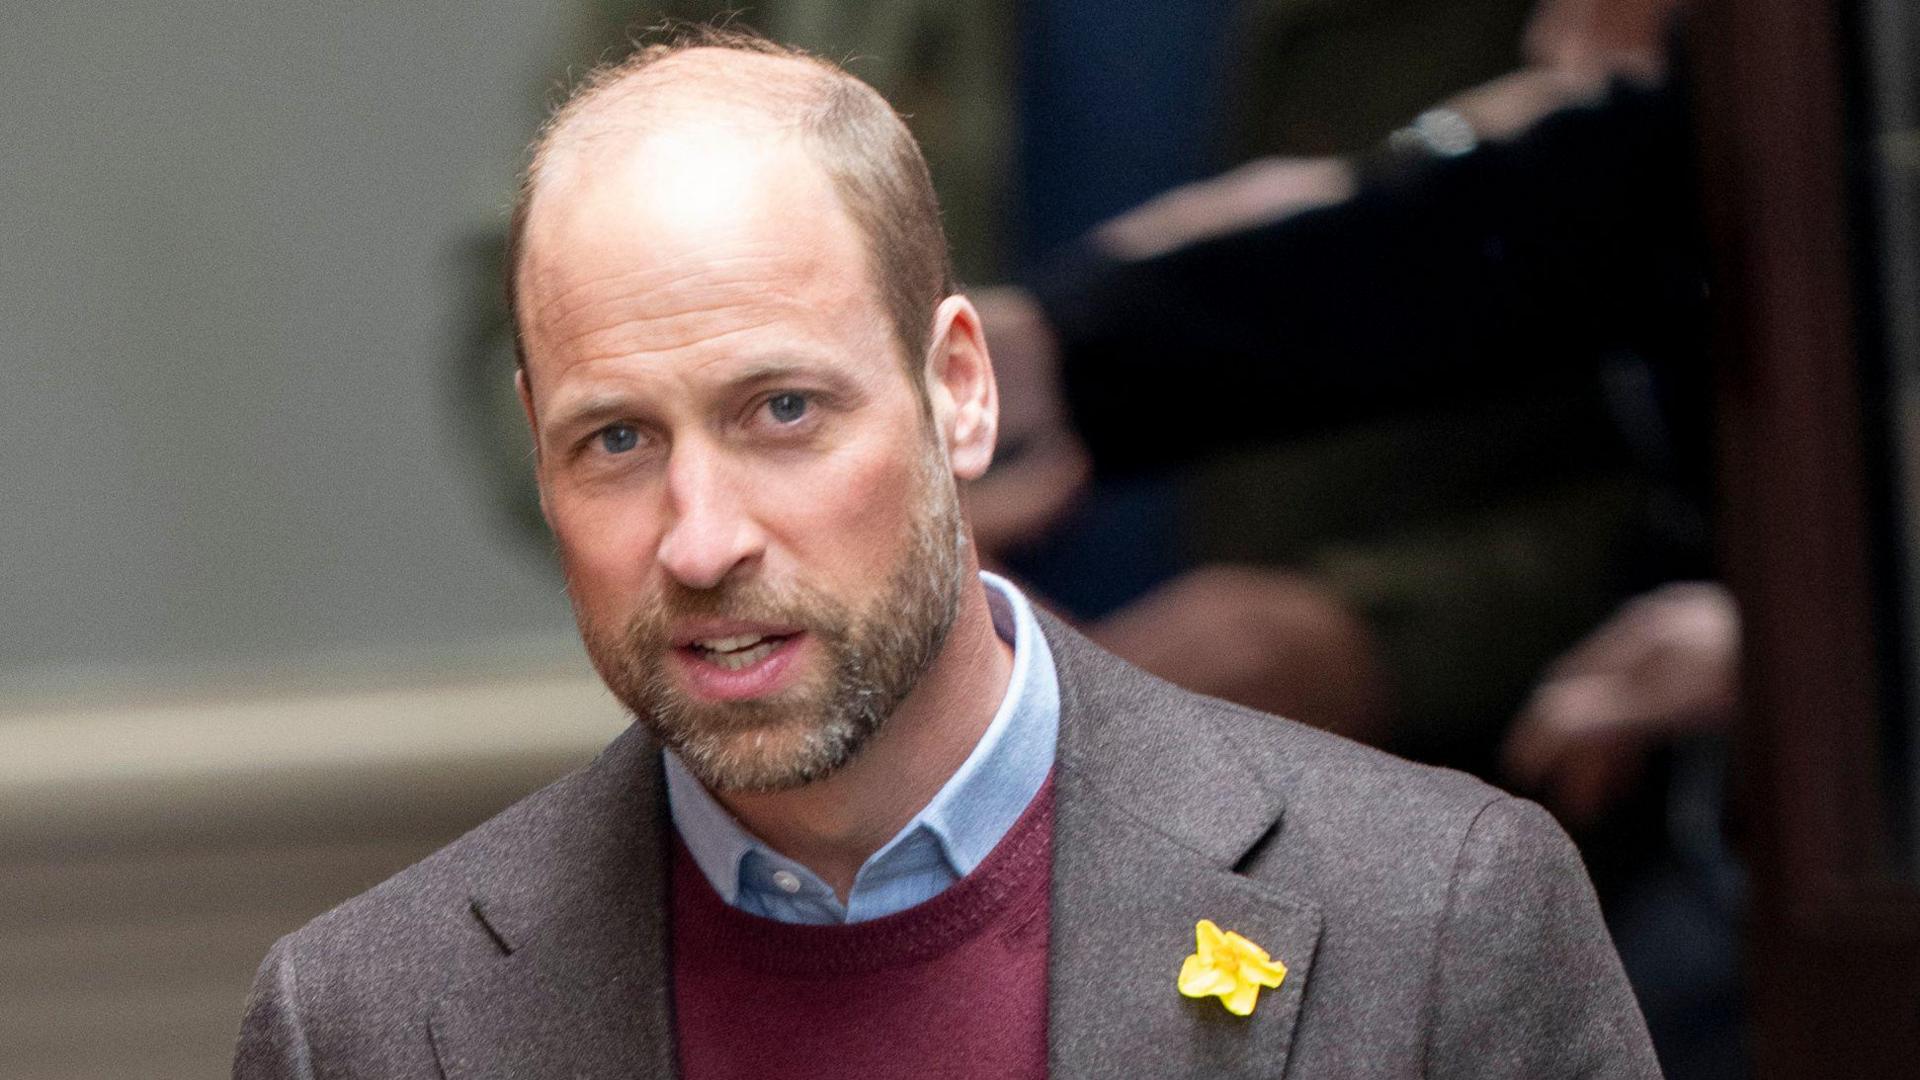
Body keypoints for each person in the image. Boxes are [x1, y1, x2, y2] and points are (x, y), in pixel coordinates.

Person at [232, 29, 1660, 1079]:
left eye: (783, 411)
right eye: (615, 443)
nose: (703, 539)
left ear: (961, 393)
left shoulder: (1440, 922)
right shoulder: (365, 1026)